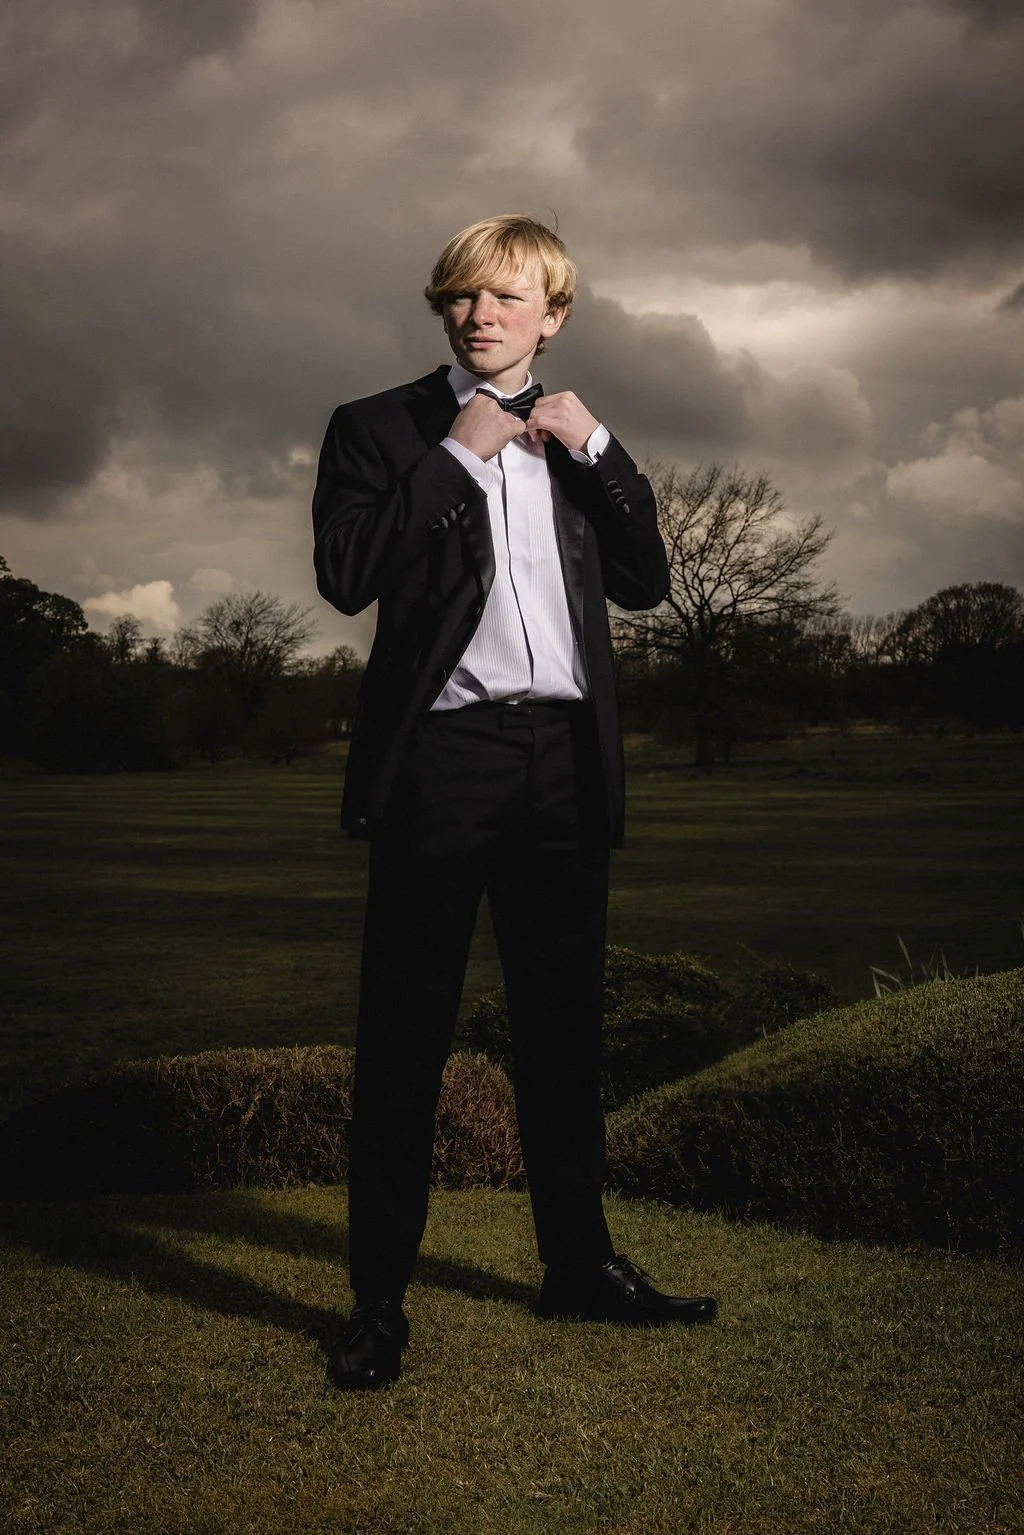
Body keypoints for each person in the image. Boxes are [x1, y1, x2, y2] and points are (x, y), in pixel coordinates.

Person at [311, 214, 717, 1390]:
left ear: (553, 313)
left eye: (505, 297)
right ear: (444, 310)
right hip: (441, 765)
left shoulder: (574, 439)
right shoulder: (381, 427)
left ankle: (577, 1270)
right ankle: (378, 1304)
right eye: (460, 297)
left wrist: (601, 448)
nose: (478, 314)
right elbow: (345, 577)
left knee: (561, 1034)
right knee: (404, 1041)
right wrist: (457, 454)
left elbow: (645, 581)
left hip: (564, 766)